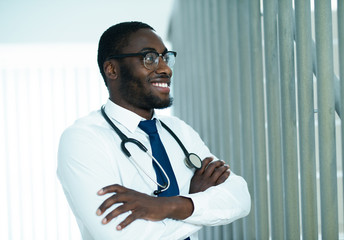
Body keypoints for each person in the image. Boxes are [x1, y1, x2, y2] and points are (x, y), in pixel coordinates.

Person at [57, 21, 251, 240]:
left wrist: (167, 206)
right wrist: (195, 203)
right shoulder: (83, 140)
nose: (165, 68)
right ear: (112, 69)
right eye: (149, 58)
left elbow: (240, 197)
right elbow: (124, 235)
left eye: (165, 57)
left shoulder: (180, 132)